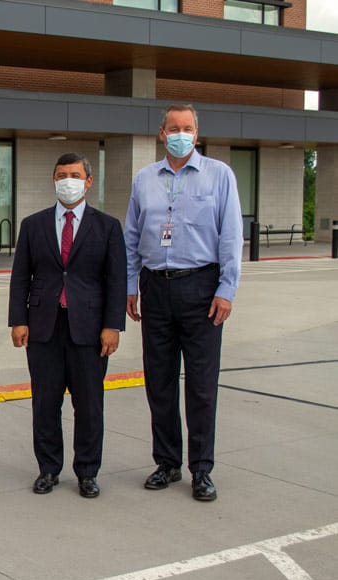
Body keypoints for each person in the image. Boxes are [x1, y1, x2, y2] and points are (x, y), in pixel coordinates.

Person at [125, 104, 243, 502]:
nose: (180, 134)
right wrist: (130, 285)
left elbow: (231, 235)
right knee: (159, 383)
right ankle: (167, 463)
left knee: (201, 387)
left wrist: (227, 289)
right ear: (162, 133)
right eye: (173, 128)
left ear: (197, 132)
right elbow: (132, 235)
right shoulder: (144, 179)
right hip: (156, 287)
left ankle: (202, 469)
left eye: (187, 128)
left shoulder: (219, 175)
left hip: (202, 289)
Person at [8, 153, 126, 498]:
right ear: (53, 180)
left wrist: (112, 326)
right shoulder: (33, 225)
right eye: (61, 175)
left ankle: (87, 472)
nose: (67, 181)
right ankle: (48, 468)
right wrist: (18, 320)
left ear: (88, 181)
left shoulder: (107, 227)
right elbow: (21, 277)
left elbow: (116, 281)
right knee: (45, 404)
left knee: (89, 405)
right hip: (44, 327)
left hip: (89, 329)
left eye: (74, 175)